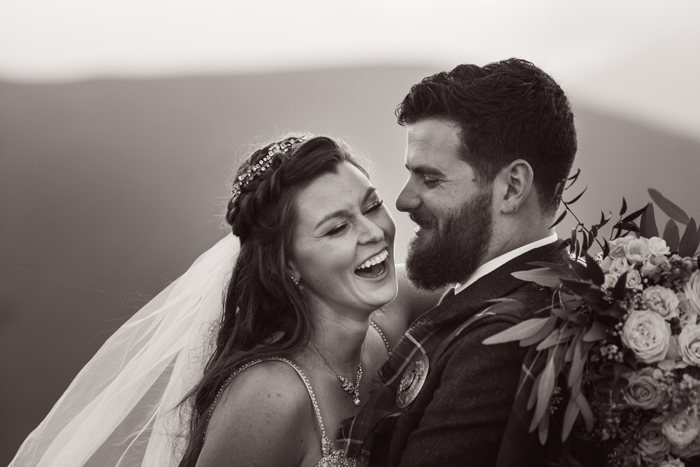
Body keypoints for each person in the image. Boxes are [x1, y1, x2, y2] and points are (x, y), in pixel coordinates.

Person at [10, 134, 442, 467]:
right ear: (288, 264)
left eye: (372, 206)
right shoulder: (271, 395)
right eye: (336, 229)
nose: (372, 232)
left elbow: (493, 278)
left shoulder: (396, 307)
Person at [341, 58, 578, 466]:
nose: (403, 201)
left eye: (431, 179)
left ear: (512, 188)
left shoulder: (503, 338)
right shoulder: (532, 291)